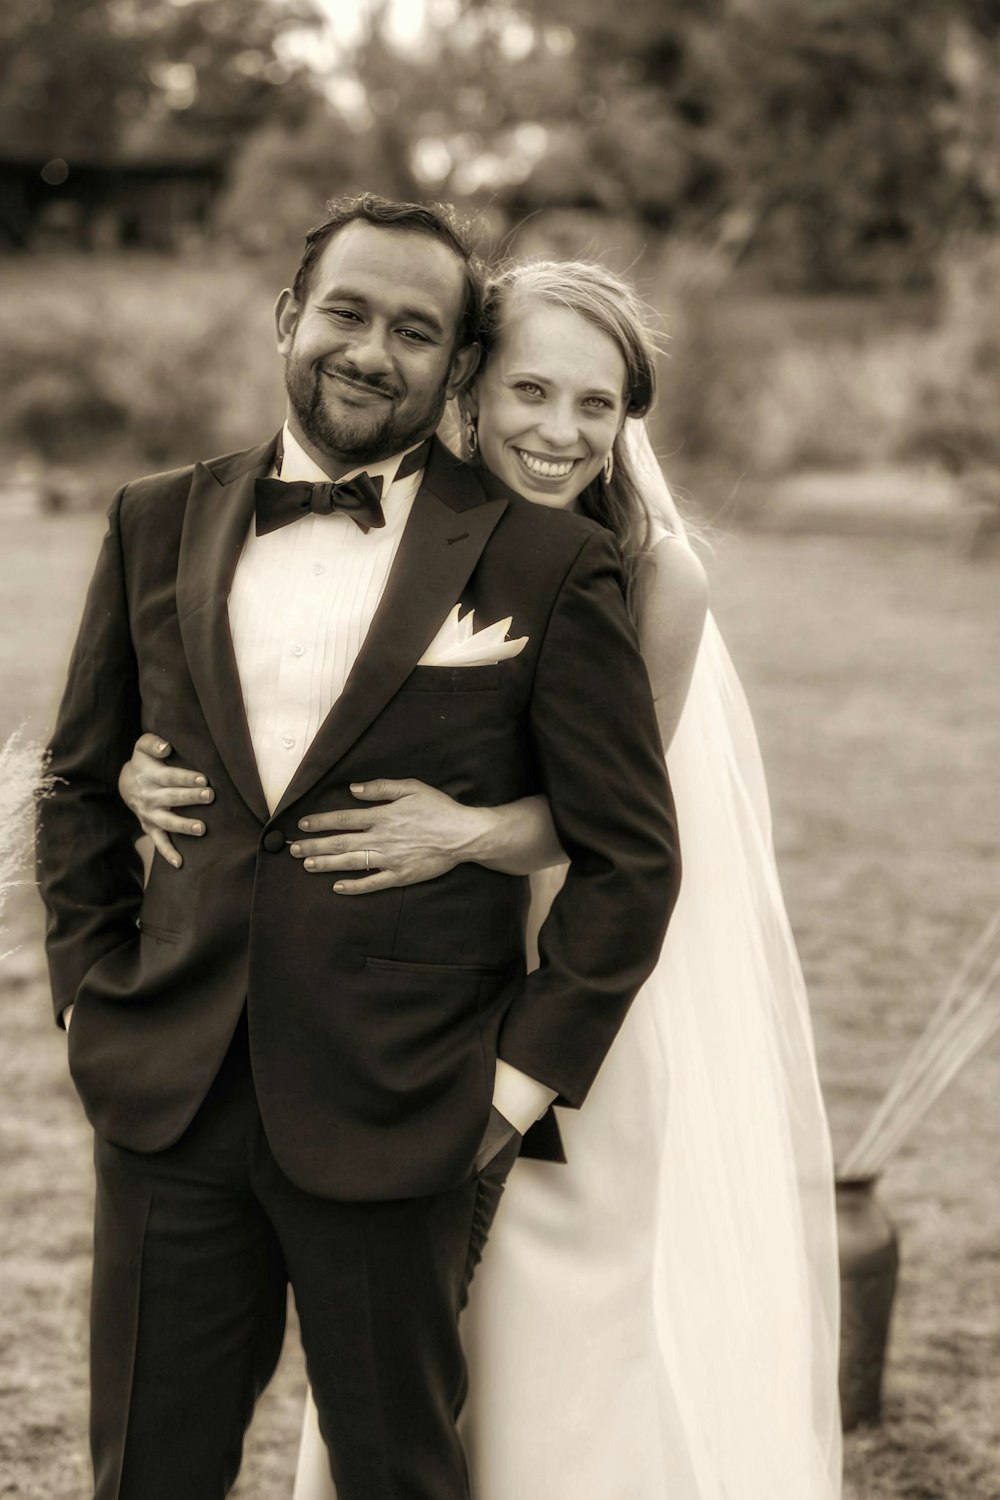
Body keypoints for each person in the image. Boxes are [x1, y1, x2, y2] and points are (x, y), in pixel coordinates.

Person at [122, 260, 843, 1498]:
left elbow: (612, 825)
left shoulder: (650, 570)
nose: (558, 432)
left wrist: (460, 836)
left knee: (562, 1309)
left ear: (629, 417)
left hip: (565, 972)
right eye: (529, 390)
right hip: (392, 992)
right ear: (466, 384)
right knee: (408, 1331)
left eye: (596, 404)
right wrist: (152, 770)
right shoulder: (398, 521)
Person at [36, 199, 680, 1500]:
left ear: (453, 367)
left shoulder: (547, 562)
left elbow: (632, 859)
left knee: (395, 1473)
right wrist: (87, 1006)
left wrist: (507, 1095)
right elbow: (76, 784)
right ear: (288, 318)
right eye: (345, 310)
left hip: (407, 1111)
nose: (371, 349)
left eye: (416, 329)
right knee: (143, 1475)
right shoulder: (151, 517)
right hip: (166, 1104)